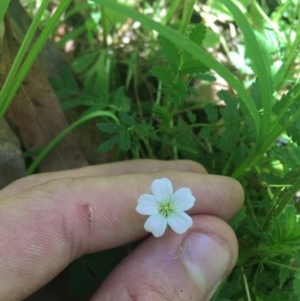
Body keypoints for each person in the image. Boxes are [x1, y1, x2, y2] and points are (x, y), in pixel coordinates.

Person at [0, 160, 244, 301]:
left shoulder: (173, 207)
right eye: (167, 205)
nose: (168, 205)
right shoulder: (160, 205)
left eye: (169, 205)